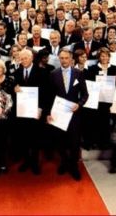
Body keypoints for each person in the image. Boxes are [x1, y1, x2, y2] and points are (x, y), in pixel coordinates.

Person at [45, 48, 88, 181]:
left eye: (66, 58)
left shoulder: (78, 73)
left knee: (74, 142)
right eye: (61, 58)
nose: (64, 60)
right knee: (60, 140)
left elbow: (85, 94)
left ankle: (74, 166)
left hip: (73, 114)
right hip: (58, 114)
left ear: (71, 59)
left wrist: (79, 104)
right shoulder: (53, 74)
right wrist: (48, 113)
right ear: (59, 59)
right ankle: (64, 162)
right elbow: (49, 96)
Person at [13, 49, 47, 175]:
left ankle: (35, 163)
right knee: (24, 138)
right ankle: (26, 161)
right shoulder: (16, 72)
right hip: (22, 112)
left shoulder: (42, 72)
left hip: (35, 111)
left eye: (26, 58)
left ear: (32, 58)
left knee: (35, 138)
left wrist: (41, 109)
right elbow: (14, 92)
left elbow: (45, 93)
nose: (23, 60)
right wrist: (14, 90)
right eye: (21, 59)